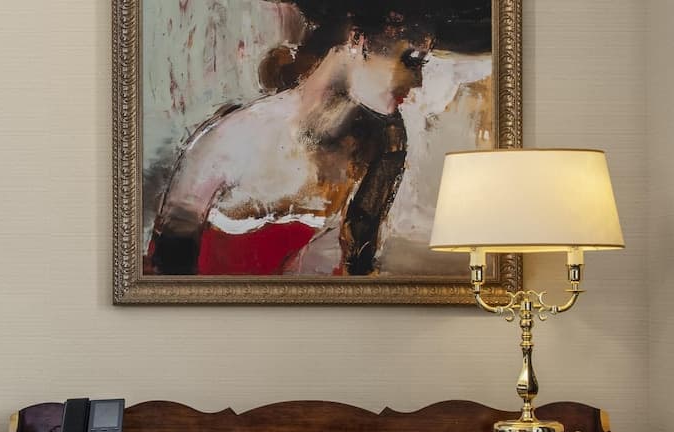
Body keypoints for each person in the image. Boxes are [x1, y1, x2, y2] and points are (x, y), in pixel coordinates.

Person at [147, 1, 489, 277]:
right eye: (410, 60)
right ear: (358, 40)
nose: (416, 83)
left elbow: (356, 267)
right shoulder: (233, 139)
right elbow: (169, 269)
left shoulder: (385, 143)